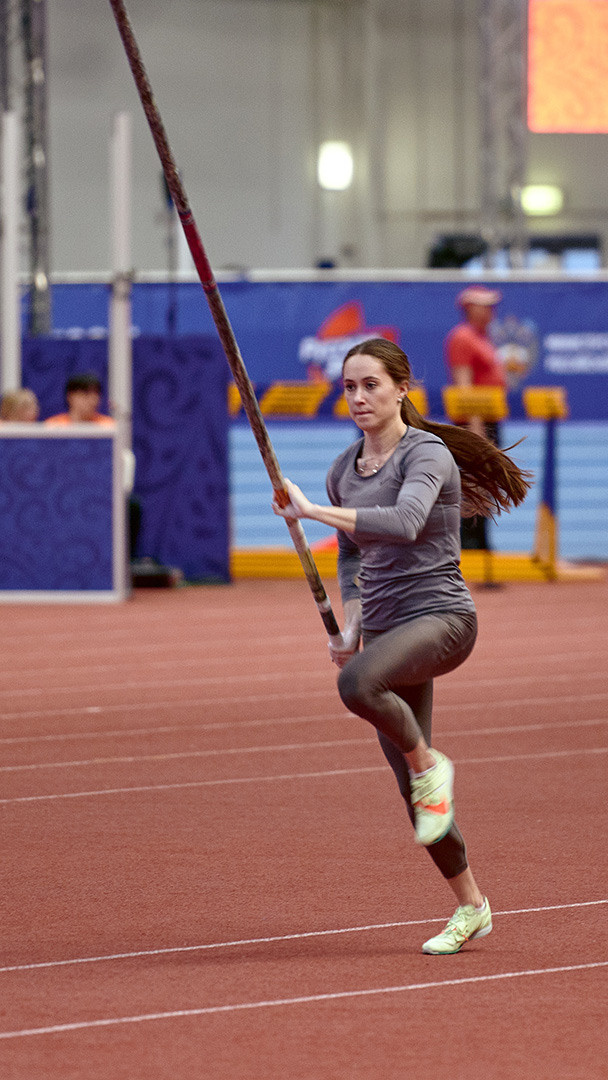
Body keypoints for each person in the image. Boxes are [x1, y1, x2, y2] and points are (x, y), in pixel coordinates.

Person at [272, 337, 530, 955]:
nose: (359, 397)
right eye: (349, 387)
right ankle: (472, 906)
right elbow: (353, 557)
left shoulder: (426, 454)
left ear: (401, 389)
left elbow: (405, 522)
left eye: (371, 385)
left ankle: (429, 762)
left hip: (442, 618)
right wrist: (353, 625)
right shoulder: (343, 469)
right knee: (419, 804)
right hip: (388, 629)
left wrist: (310, 512)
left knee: (357, 684)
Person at [444, 285, 506, 552]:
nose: (492, 311)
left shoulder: (483, 338)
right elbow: (464, 387)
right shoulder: (463, 337)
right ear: (471, 308)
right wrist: (475, 428)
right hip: (474, 422)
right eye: (486, 306)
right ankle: (469, 545)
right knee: (473, 484)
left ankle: (481, 543)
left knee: (486, 482)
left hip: (488, 420)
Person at [44, 372, 115, 427]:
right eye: (86, 394)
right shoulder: (54, 425)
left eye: (96, 394)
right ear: (71, 396)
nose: (93, 400)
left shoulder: (108, 426)